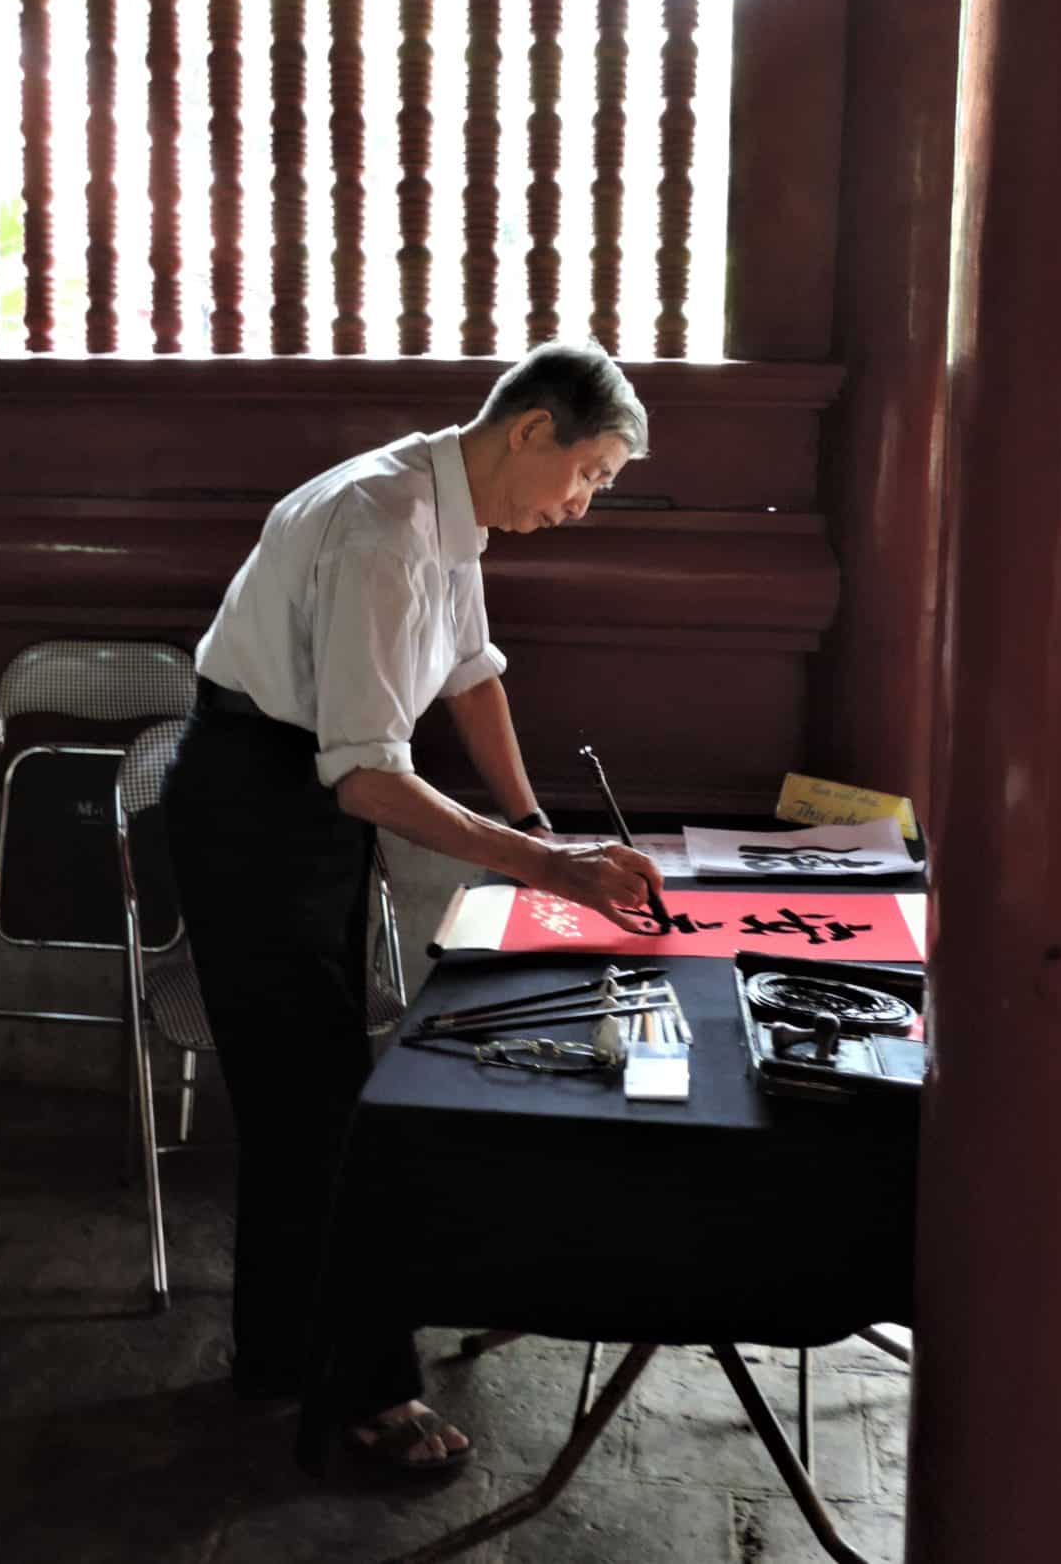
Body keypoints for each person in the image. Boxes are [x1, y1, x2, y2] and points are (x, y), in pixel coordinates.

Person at [162, 342, 664, 1474]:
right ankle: (364, 1402)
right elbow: (372, 778)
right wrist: (556, 878)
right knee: (329, 1117)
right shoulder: (385, 524)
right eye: (589, 474)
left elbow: (471, 673)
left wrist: (538, 830)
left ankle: (282, 1353)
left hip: (300, 803)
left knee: (312, 1104)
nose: (582, 504)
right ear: (532, 429)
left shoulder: (453, 505)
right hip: (254, 808)